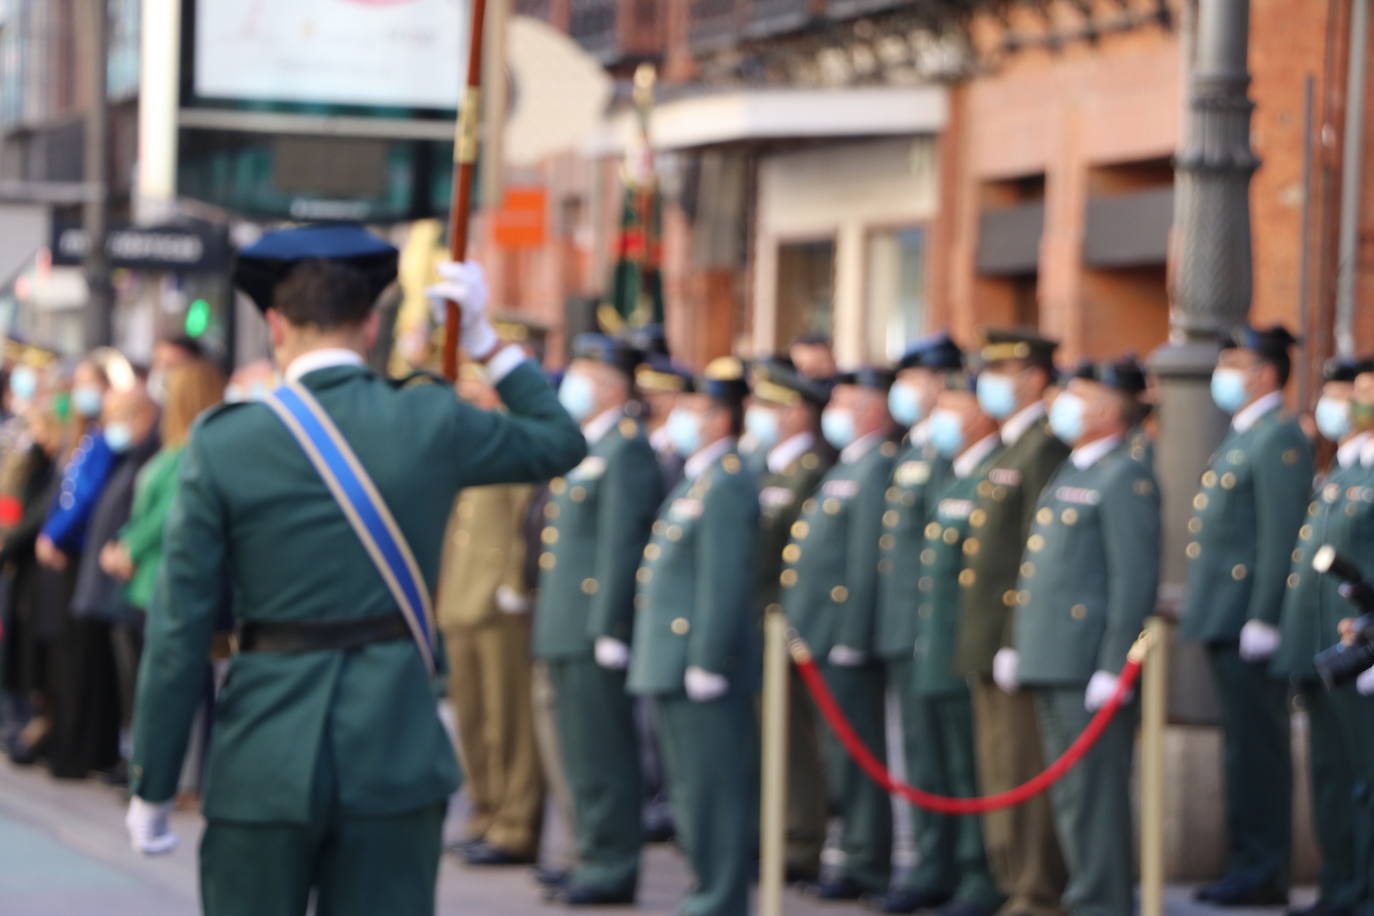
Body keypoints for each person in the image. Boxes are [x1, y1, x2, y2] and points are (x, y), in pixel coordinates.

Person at [124, 225, 586, 916]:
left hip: (264, 756)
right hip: (392, 754)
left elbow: (178, 631)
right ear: (370, 325)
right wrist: (488, 340)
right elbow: (561, 439)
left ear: (275, 325)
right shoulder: (430, 417)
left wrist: (153, 782)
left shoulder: (227, 442)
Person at [1011, 357, 1161, 916]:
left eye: (1077, 393)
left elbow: (1132, 577)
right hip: (1053, 656)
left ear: (1105, 409)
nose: (1063, 404)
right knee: (1072, 797)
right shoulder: (1076, 468)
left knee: (1093, 797)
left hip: (1085, 663)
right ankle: (1086, 894)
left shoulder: (1124, 474)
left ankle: (1102, 902)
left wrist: (1113, 662)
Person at [1181, 325, 1312, 908]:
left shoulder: (1277, 437)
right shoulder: (1245, 436)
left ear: (1263, 373)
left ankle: (1264, 866)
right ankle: (1246, 861)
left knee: (1258, 748)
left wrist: (1266, 615)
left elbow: (1278, 532)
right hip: (1224, 616)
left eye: (1235, 362)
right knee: (1241, 746)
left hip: (1247, 621)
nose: (1224, 372)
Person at [531, 333, 662, 906]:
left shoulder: (626, 448)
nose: (574, 384)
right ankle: (588, 849)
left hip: (590, 625)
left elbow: (619, 545)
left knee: (602, 750)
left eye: (585, 372)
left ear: (611, 385)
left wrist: (610, 625)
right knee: (576, 751)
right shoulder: (589, 444)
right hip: (563, 620)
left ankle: (612, 861)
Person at [629, 357, 759, 916]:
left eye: (691, 410)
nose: (677, 418)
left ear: (718, 420)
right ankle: (705, 886)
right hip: (671, 658)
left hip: (697, 662)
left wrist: (707, 657)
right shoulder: (698, 478)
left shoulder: (725, 482)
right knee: (689, 786)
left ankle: (721, 894)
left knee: (713, 787)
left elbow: (722, 579)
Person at [955, 329, 1069, 916]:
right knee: (998, 771)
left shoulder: (1043, 446)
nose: (991, 384)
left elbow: (1034, 555)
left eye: (1005, 372)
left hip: (1010, 638)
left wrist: (1013, 638)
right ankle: (1012, 884)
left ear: (1035, 378)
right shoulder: (1010, 446)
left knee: (1022, 772)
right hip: (985, 640)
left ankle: (1034, 890)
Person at [780, 366, 899, 901]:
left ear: (872, 411)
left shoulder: (875, 467)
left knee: (856, 753)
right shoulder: (850, 464)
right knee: (836, 752)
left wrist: (853, 632)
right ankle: (851, 852)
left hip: (840, 633)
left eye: (847, 403)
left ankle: (866, 859)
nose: (835, 413)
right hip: (818, 632)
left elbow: (861, 559)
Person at [1271, 356, 1372, 916]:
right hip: (1327, 650)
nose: (1352, 401)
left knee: (1364, 779)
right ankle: (1340, 887)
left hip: (1362, 651)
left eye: (1364, 391)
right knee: (1333, 778)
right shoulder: (1343, 470)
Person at [436, 361, 545, 868]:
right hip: (460, 597)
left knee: (510, 721)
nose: (465, 393)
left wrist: (512, 583)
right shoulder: (464, 441)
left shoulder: (511, 439)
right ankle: (484, 811)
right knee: (474, 719)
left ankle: (515, 823)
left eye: (474, 385)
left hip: (497, 600)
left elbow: (523, 516)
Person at [874, 333, 962, 914]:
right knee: (921, 756)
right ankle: (931, 860)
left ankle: (952, 866)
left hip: (940, 628)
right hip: (906, 623)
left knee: (949, 756)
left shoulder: (948, 452)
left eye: (916, 380)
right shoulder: (913, 448)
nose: (906, 392)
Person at [912, 379, 1006, 916]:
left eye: (952, 407)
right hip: (938, 644)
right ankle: (946, 867)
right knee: (941, 766)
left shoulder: (992, 475)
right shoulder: (953, 476)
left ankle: (979, 876)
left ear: (979, 415)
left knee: (972, 770)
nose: (940, 416)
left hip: (967, 649)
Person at [746, 356, 833, 883]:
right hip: (757, 624)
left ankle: (800, 841)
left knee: (792, 742)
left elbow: (801, 560)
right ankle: (773, 833)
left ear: (797, 412)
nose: (757, 413)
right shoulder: (767, 466)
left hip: (784, 625)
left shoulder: (810, 470)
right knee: (764, 738)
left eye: (769, 405)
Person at [68, 382, 162, 773]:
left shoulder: (150, 457)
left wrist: (126, 547)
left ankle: (138, 760)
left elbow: (153, 517)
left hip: (134, 585)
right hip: (117, 584)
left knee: (137, 679)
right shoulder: (126, 456)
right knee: (125, 678)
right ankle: (129, 755)